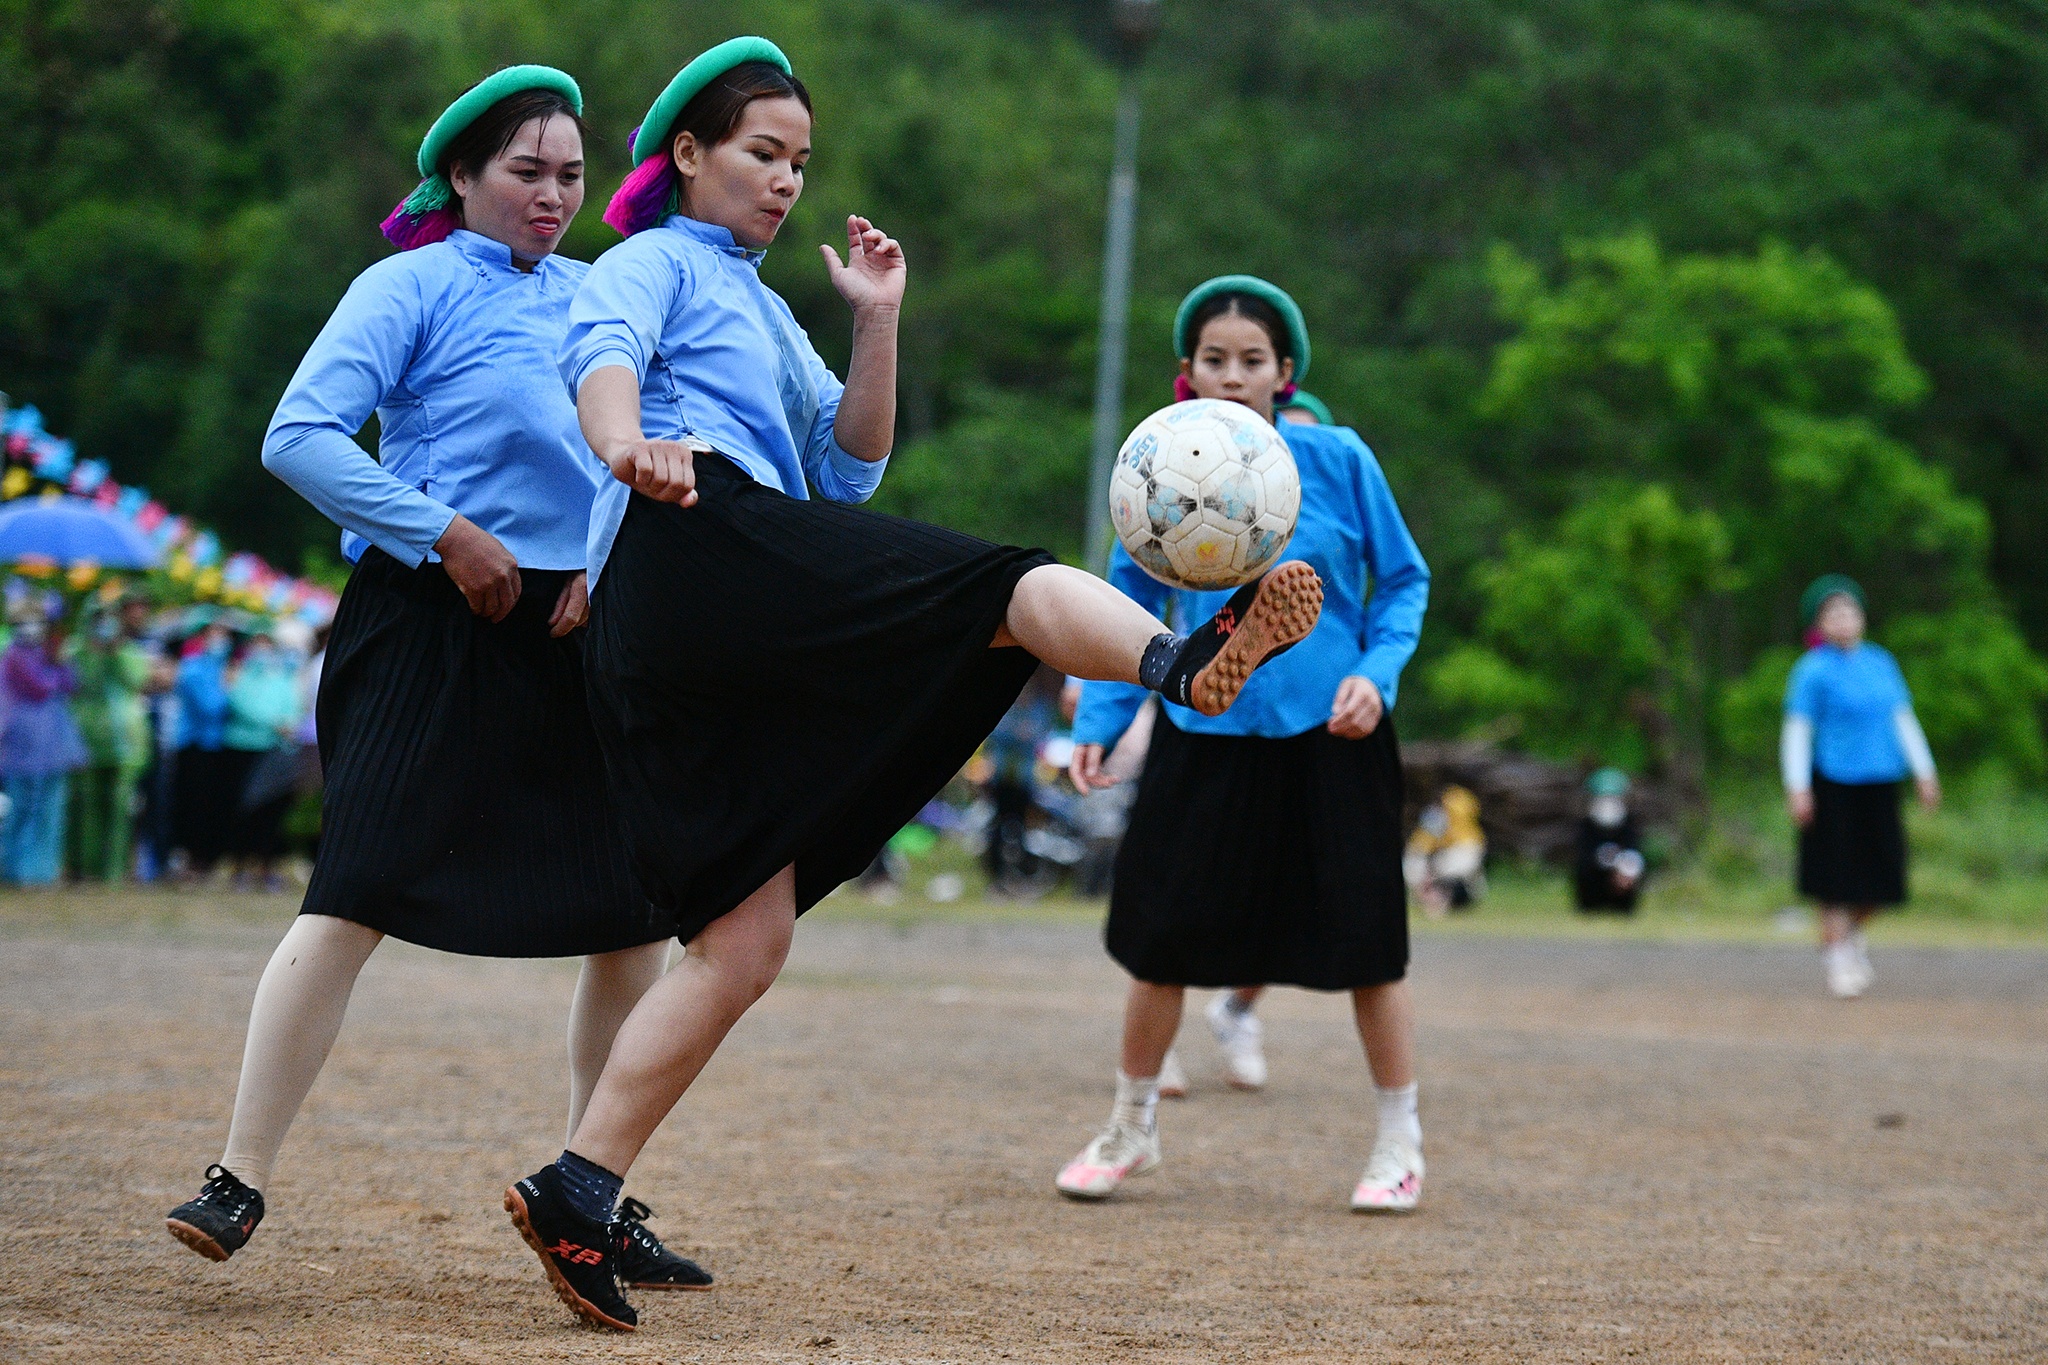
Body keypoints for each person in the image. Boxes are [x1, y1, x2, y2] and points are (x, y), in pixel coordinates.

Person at [503, 40, 1321, 1332]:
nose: (784, 182)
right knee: (1005, 589)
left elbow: (850, 468)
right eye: (763, 155)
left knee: (743, 941)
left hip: (687, 625)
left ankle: (577, 1189)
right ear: (687, 158)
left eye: (800, 164)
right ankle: (1182, 663)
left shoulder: (769, 310)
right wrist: (626, 450)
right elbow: (597, 360)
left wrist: (876, 323)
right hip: (695, 542)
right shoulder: (650, 261)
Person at [163, 66, 706, 1294]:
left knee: (630, 915)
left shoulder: (596, 297)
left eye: (569, 175)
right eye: (525, 172)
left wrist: (608, 566)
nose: (551, 197)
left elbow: (656, 448)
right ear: (459, 176)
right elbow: (296, 436)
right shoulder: (402, 285)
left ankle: (594, 1194)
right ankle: (237, 1176)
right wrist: (441, 534)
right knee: (350, 892)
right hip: (428, 622)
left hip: (575, 631)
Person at [1055, 275, 1431, 1213]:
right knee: (1161, 940)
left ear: (1285, 372)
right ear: (1188, 375)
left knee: (1369, 945)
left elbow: (1405, 582)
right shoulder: (1156, 464)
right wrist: (1101, 722)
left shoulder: (1338, 458)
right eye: (1214, 361)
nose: (1232, 376)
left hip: (1331, 732)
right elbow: (1125, 610)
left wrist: (1374, 679)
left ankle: (1399, 1139)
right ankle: (1130, 1124)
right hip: (1203, 725)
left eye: (1251, 361)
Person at [1782, 575, 1939, 998]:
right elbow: (1798, 729)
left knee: (1884, 874)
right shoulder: (1812, 670)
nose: (1845, 619)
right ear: (1819, 622)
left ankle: (1847, 934)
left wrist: (1924, 771)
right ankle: (1837, 957)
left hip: (1880, 778)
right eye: (1834, 613)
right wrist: (1797, 787)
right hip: (1832, 780)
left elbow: (1901, 719)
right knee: (1834, 874)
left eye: (1851, 611)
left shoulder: (1880, 662)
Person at [65, 605, 154, 881]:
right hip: (86, 739)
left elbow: (136, 682)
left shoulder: (130, 654)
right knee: (86, 805)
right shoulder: (76, 654)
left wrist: (114, 653)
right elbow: (75, 685)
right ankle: (85, 867)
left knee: (120, 806)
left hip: (126, 743)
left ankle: (113, 871)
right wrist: (92, 653)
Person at [0, 615, 88, 884]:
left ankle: (43, 871)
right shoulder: (14, 655)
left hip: (53, 748)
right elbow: (39, 686)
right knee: (22, 809)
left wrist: (60, 661)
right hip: (21, 747)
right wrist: (55, 666)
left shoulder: (48, 655)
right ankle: (16, 869)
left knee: (50, 811)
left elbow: (73, 684)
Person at [220, 629, 301, 891]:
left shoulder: (282, 679)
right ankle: (240, 866)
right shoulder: (241, 676)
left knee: (272, 813)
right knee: (244, 810)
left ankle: (267, 867)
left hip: (275, 753)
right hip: (243, 750)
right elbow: (240, 703)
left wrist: (285, 724)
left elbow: (292, 706)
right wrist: (274, 723)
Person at [169, 619, 236, 880]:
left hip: (217, 746)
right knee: (193, 806)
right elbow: (211, 707)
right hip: (195, 747)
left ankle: (206, 860)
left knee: (213, 807)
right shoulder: (193, 670)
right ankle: (189, 859)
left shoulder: (221, 668)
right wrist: (230, 689)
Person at [1403, 784, 1487, 915]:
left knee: (1454, 872)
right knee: (1417, 868)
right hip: (1445, 853)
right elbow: (1421, 844)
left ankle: (1449, 899)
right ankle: (1435, 900)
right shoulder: (1435, 816)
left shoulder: (1456, 804)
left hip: (1464, 849)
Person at [1573, 767, 1645, 913]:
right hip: (1593, 887)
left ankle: (1624, 908)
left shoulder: (1629, 826)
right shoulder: (1586, 826)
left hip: (1621, 889)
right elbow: (1584, 858)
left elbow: (1634, 854)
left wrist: (1624, 870)